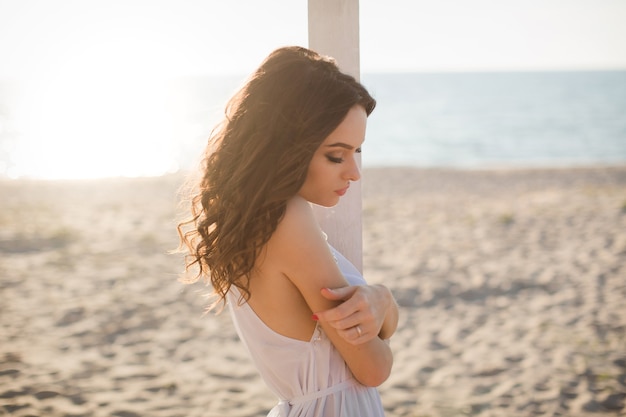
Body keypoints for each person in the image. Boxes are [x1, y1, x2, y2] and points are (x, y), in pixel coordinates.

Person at [177, 46, 399, 417]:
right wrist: (386, 303)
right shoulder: (286, 219)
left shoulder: (251, 218)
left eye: (357, 152)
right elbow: (374, 367)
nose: (353, 173)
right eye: (336, 155)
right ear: (288, 147)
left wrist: (381, 305)